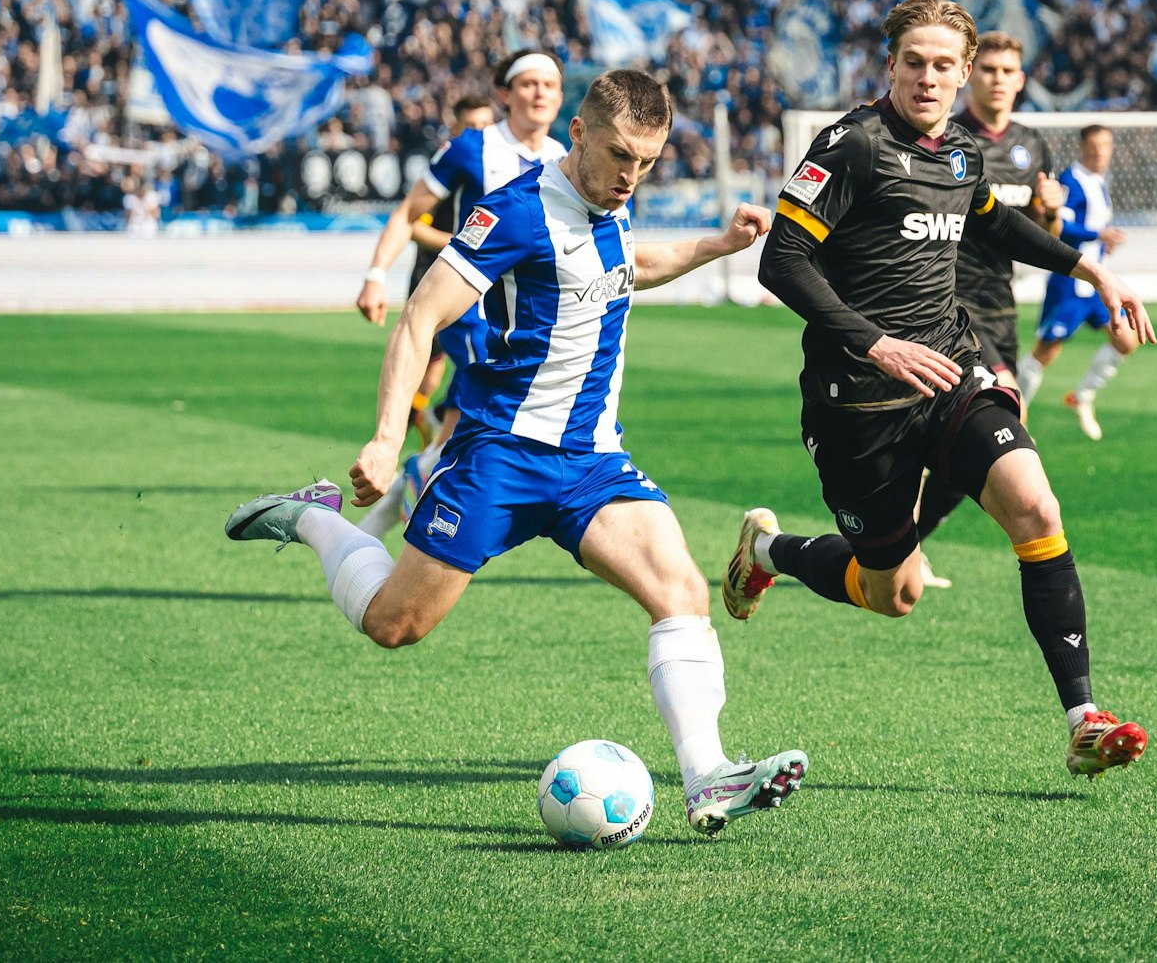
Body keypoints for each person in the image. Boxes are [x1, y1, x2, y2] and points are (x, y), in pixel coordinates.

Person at [226, 69, 808, 835]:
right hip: (499, 454)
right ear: (577, 133)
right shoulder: (515, 212)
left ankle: (707, 777)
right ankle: (310, 518)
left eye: (647, 161)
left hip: (593, 460)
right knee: (395, 623)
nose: (630, 176)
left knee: (682, 595)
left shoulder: (612, 206)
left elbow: (634, 269)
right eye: (617, 155)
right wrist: (383, 436)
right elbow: (419, 318)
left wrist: (716, 244)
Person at [728, 0, 1152, 780]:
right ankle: (767, 550)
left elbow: (991, 220)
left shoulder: (961, 151)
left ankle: (1083, 718)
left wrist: (1088, 264)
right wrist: (876, 342)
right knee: (892, 592)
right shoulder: (849, 146)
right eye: (913, 62)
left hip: (952, 373)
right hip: (856, 405)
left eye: (943, 65)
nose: (929, 77)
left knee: (1036, 504)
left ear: (963, 75)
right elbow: (780, 260)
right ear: (890, 65)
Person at [353, 57, 565, 537]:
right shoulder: (473, 148)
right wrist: (375, 274)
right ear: (505, 94)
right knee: (484, 430)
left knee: (467, 434)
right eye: (528, 83)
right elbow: (410, 211)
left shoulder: (564, 158)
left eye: (549, 85)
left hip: (530, 322)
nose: (539, 93)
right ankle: (420, 520)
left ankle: (410, 485)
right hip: (473, 311)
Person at [912, 30, 1065, 570]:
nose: (998, 80)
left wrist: (1051, 212)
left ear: (1021, 80)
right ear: (970, 74)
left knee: (966, 443)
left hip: (1001, 306)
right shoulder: (944, 137)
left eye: (1008, 71)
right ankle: (905, 539)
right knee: (1006, 426)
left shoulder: (1031, 144)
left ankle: (907, 540)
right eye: (989, 69)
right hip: (948, 306)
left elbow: (1040, 230)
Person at [353, 93, 497, 536]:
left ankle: (426, 452)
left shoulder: (508, 162)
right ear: (455, 127)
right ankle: (425, 451)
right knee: (468, 387)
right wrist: (459, 240)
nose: (478, 133)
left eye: (485, 125)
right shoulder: (455, 164)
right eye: (470, 125)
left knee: (466, 402)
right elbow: (410, 220)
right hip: (445, 290)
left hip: (490, 300)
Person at [1017, 124, 1140, 441]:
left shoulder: (1099, 183)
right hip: (1069, 284)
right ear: (1082, 147)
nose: (1100, 151)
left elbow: (1091, 228)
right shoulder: (1071, 181)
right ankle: (1014, 413)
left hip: (1096, 288)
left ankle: (1082, 396)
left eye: (1106, 145)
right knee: (1046, 352)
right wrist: (1096, 235)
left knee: (1126, 340)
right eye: (1094, 145)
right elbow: (1060, 225)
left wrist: (1103, 243)